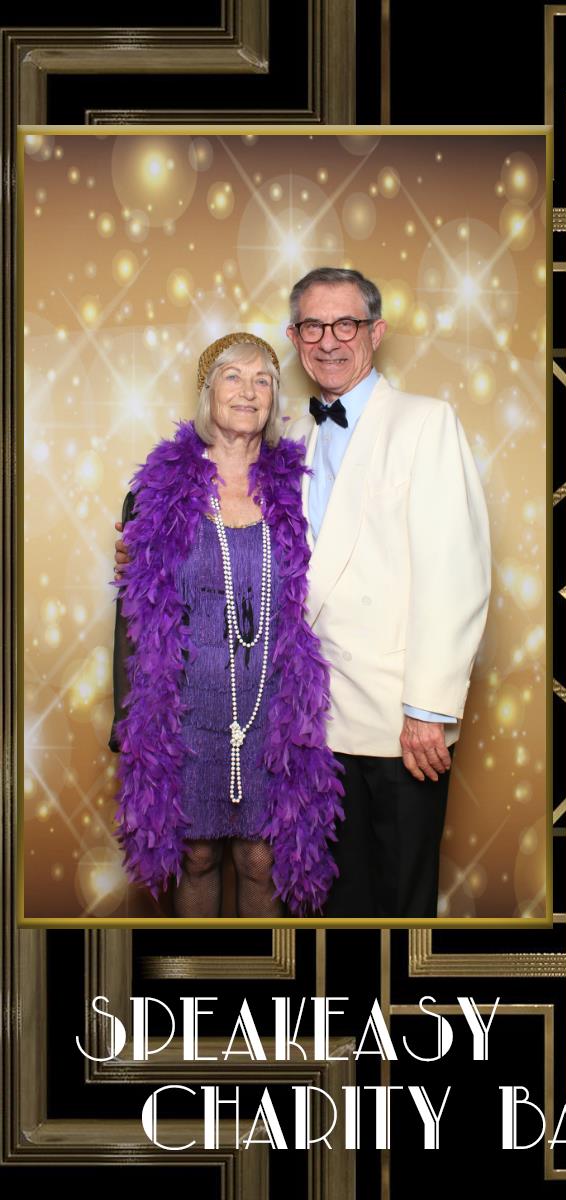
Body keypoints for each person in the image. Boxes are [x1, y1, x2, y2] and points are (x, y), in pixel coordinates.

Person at [111, 332, 343, 916]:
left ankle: (261, 973)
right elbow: (132, 617)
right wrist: (127, 719)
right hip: (186, 708)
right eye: (233, 377)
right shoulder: (156, 492)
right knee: (195, 856)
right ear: (207, 393)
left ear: (274, 399)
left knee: (262, 859)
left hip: (275, 706)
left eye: (263, 380)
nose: (248, 391)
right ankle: (202, 969)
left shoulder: (304, 488)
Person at [288, 266, 492, 917]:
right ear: (294, 338)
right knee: (331, 901)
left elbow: (456, 570)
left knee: (400, 907)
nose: (329, 341)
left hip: (398, 720)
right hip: (312, 721)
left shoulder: (425, 421)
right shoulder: (289, 434)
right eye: (313, 326)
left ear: (375, 332)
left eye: (345, 324)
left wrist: (429, 707)